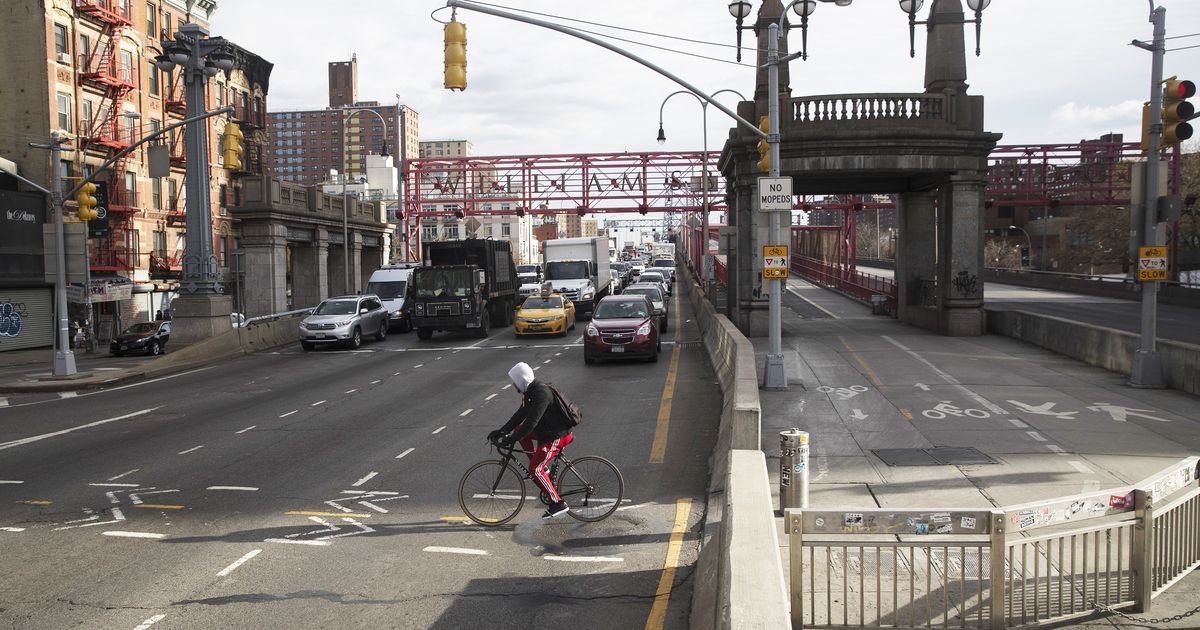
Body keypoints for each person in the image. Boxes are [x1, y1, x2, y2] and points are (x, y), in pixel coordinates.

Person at [488, 362, 575, 519]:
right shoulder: (531, 392)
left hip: (557, 435)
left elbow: (530, 424)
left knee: (535, 469)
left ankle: (558, 504)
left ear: (521, 379)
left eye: (514, 381)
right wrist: (503, 431)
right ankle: (544, 469)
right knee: (519, 433)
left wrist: (509, 440)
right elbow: (520, 414)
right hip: (547, 432)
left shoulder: (541, 394)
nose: (513, 384)